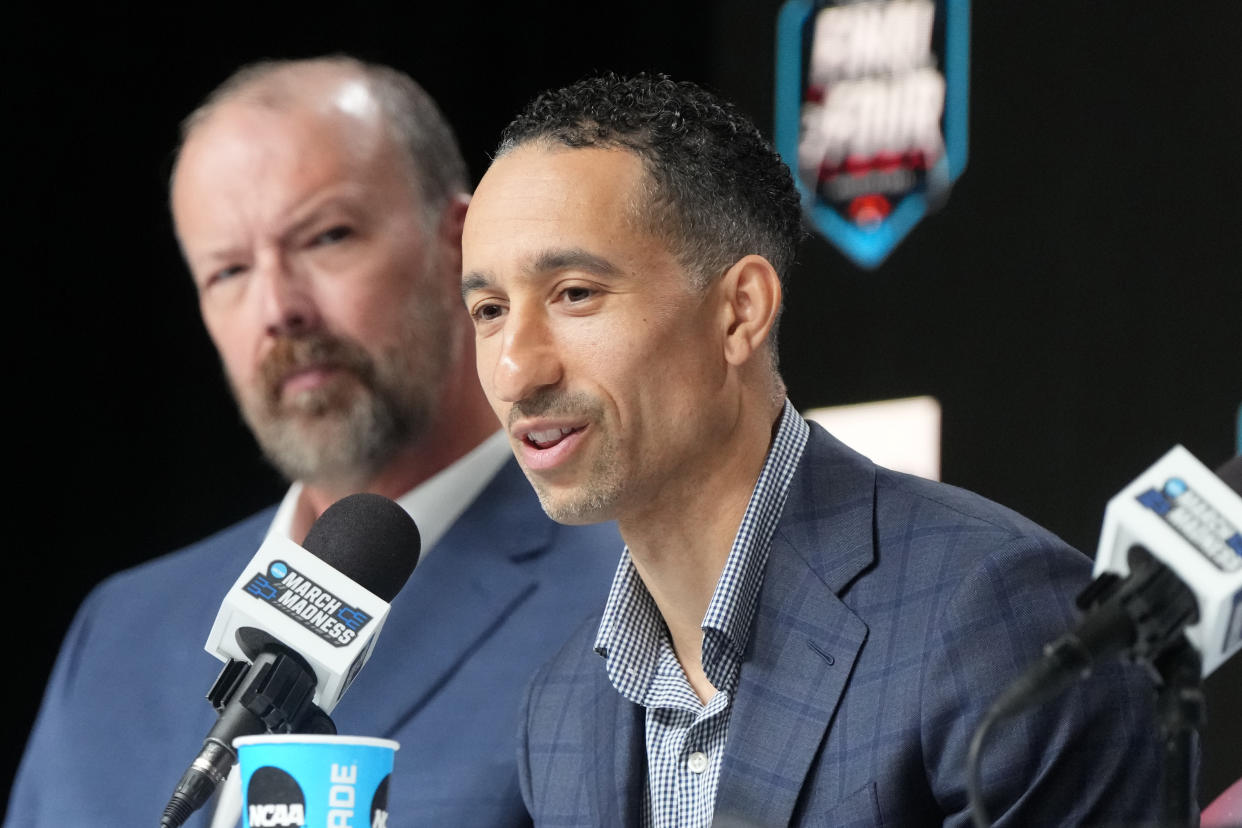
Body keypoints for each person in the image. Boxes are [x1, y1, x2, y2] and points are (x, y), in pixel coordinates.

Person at [460, 73, 1173, 826]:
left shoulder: (995, 618)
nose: (516, 370)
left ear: (740, 312)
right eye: (488, 310)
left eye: (575, 294)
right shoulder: (562, 709)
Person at [6, 57, 620, 828]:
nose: (278, 309)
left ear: (462, 248)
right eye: (228, 270)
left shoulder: (632, 599)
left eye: (327, 237)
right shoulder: (118, 633)